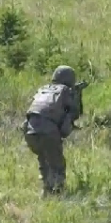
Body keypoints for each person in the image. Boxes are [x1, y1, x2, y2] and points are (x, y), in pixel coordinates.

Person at [23, 65, 82, 197]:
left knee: (44, 159)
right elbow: (74, 112)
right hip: (48, 131)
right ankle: (56, 193)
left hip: (30, 131)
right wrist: (77, 96)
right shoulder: (65, 91)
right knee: (57, 164)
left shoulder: (43, 89)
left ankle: (46, 190)